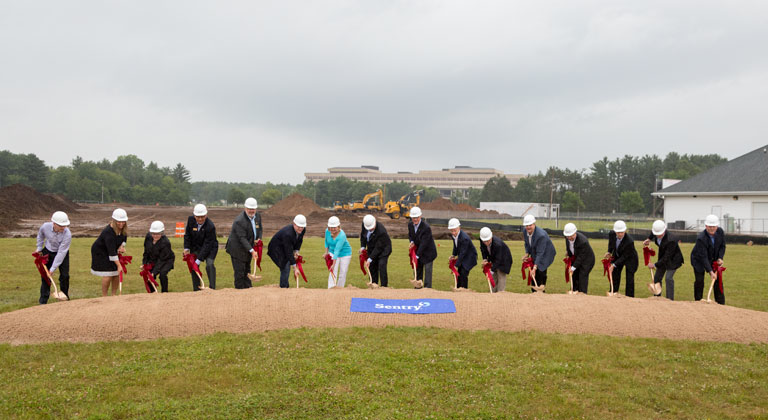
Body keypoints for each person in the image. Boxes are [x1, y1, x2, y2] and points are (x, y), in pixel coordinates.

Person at [226, 197, 263, 289]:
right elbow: (242, 238)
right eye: (249, 209)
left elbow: (260, 229)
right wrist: (252, 250)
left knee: (247, 269)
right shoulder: (239, 221)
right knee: (240, 272)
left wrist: (258, 239)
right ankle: (239, 292)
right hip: (237, 249)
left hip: (248, 248)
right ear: (245, 208)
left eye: (253, 209)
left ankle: (248, 290)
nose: (251, 211)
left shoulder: (257, 216)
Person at [35, 211, 72, 304]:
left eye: (65, 225)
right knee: (45, 277)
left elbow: (61, 253)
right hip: (47, 251)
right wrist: (39, 247)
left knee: (65, 276)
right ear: (54, 223)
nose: (63, 228)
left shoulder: (67, 234)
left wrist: (52, 269)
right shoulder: (45, 227)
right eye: (61, 226)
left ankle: (64, 297)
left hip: (61, 253)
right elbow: (40, 236)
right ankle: (43, 301)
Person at [91, 208, 128, 297]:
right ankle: (105, 296)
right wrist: (119, 265)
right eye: (119, 221)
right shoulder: (108, 232)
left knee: (116, 273)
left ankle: (113, 295)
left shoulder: (123, 229)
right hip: (100, 252)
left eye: (123, 221)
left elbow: (124, 238)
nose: (121, 223)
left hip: (111, 251)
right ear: (114, 221)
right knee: (108, 273)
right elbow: (111, 252)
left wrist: (122, 246)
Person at [643, 220, 684, 300]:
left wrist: (654, 265)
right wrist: (648, 239)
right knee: (657, 278)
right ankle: (657, 298)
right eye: (656, 234)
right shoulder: (656, 231)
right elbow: (652, 233)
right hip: (663, 257)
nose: (658, 235)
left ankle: (670, 299)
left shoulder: (671, 240)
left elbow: (667, 257)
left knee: (668, 278)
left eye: (659, 234)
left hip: (673, 260)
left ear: (664, 230)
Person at [691, 214, 726, 304]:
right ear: (706, 226)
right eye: (710, 226)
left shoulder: (720, 232)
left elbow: (722, 246)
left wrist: (720, 258)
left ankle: (721, 303)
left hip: (713, 258)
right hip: (698, 260)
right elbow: (703, 257)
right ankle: (698, 301)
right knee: (699, 281)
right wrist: (710, 272)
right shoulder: (701, 238)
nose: (712, 228)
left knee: (718, 281)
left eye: (714, 226)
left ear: (717, 226)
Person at [183, 203, 219, 290]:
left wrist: (198, 260)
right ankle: (196, 288)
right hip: (196, 246)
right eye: (198, 216)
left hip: (210, 248)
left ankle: (212, 288)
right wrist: (186, 248)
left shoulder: (210, 226)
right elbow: (187, 235)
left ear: (206, 215)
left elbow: (207, 245)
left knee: (209, 264)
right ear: (194, 215)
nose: (200, 219)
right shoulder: (190, 220)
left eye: (202, 216)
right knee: (193, 266)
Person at [268, 214, 307, 288]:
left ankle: (285, 286)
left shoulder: (302, 230)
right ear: (294, 224)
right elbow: (288, 252)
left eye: (302, 227)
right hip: (276, 249)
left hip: (285, 246)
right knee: (285, 266)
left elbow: (299, 240)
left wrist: (296, 251)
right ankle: (284, 288)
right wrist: (295, 268)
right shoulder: (288, 234)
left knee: (288, 263)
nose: (301, 229)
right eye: (299, 226)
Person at [522, 215, 556, 293]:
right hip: (536, 251)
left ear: (534, 224)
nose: (528, 227)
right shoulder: (525, 231)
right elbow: (526, 243)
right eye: (526, 225)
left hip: (546, 254)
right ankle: (534, 291)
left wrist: (534, 268)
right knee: (534, 274)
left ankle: (541, 290)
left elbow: (540, 253)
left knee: (540, 271)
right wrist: (527, 253)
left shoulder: (541, 235)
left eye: (530, 225)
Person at [605, 220, 639, 297]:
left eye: (622, 232)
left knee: (629, 278)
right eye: (618, 232)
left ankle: (629, 297)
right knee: (615, 274)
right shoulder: (612, 234)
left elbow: (624, 257)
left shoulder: (629, 241)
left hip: (630, 259)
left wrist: (614, 264)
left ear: (625, 231)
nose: (620, 234)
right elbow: (611, 243)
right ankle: (613, 292)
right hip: (618, 255)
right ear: (615, 231)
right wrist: (609, 252)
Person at [407, 206, 437, 288]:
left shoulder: (426, 228)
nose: (415, 219)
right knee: (418, 270)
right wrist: (412, 242)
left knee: (427, 272)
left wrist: (416, 256)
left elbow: (424, 243)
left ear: (420, 216)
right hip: (418, 251)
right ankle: (418, 287)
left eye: (417, 217)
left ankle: (427, 290)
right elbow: (410, 235)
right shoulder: (410, 225)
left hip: (428, 253)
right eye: (413, 217)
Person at [142, 221, 175, 293]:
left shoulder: (166, 242)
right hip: (153, 259)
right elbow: (146, 252)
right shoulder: (148, 237)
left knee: (162, 274)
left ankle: (164, 292)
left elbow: (161, 260)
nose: (155, 236)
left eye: (158, 234)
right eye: (153, 234)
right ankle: (152, 292)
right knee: (149, 275)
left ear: (162, 233)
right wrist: (144, 264)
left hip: (167, 259)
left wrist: (154, 272)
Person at [360, 214, 391, 287]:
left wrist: (370, 259)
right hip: (371, 247)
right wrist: (363, 247)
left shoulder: (381, 231)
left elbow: (378, 247)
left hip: (384, 249)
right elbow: (363, 236)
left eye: (372, 227)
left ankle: (384, 286)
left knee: (381, 265)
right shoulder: (365, 224)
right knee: (372, 267)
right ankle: (374, 284)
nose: (370, 229)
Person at [563, 223, 595, 294]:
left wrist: (573, 267)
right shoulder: (567, 238)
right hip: (577, 258)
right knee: (574, 275)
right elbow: (569, 247)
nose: (569, 238)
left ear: (575, 233)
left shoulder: (583, 242)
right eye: (568, 236)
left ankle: (582, 293)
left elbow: (581, 257)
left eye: (571, 236)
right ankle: (574, 291)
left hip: (587, 260)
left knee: (582, 276)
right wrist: (568, 252)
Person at [478, 227, 512, 293]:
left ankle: (500, 294)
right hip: (494, 258)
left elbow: (498, 260)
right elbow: (483, 249)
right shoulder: (482, 240)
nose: (486, 243)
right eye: (484, 241)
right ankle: (492, 294)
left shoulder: (497, 244)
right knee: (493, 278)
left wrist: (491, 270)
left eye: (488, 240)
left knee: (500, 276)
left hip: (504, 260)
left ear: (491, 236)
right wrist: (485, 259)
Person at [448, 218, 477, 289]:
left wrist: (456, 265)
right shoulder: (454, 236)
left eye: (455, 230)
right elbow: (455, 246)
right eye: (451, 231)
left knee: (463, 274)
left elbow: (462, 253)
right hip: (463, 256)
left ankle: (464, 291)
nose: (453, 232)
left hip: (470, 257)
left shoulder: (465, 238)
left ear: (459, 228)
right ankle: (458, 289)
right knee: (459, 274)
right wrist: (453, 255)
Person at [324, 216, 352, 288]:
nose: (332, 229)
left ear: (338, 226)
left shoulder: (342, 235)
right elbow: (326, 242)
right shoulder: (327, 231)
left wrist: (333, 263)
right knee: (333, 271)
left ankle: (340, 289)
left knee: (343, 272)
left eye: (334, 227)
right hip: (332, 252)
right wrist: (326, 253)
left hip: (345, 253)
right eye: (331, 227)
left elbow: (337, 250)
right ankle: (331, 287)